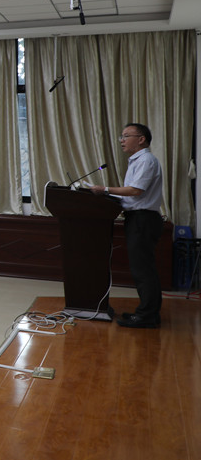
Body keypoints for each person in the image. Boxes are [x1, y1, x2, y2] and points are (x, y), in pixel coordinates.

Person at [90, 122, 165, 328]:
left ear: (141, 139)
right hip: (138, 218)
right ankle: (148, 313)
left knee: (143, 270)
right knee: (141, 268)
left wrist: (105, 189)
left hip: (143, 219)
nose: (122, 140)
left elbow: (135, 190)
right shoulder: (137, 161)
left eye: (126, 136)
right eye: (121, 137)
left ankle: (147, 316)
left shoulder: (146, 160)